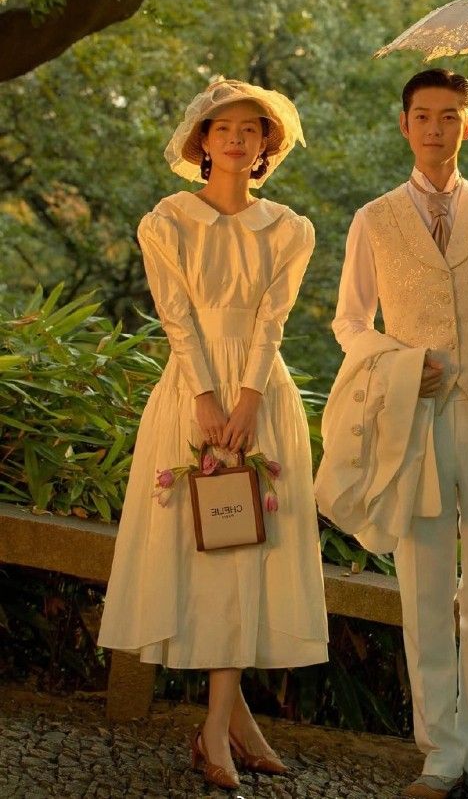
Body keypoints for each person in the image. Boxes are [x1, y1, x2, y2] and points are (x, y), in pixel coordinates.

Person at [329, 68, 468, 799]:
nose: (435, 127)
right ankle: (441, 754)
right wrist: (399, 363)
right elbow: (349, 323)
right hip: (414, 418)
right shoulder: (373, 218)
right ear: (404, 125)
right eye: (423, 115)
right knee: (423, 584)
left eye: (449, 115)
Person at [98, 78, 328, 793]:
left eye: (249, 129)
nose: (235, 138)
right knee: (208, 550)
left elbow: (272, 320)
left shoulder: (290, 228)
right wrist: (204, 398)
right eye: (221, 127)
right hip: (189, 397)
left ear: (266, 145)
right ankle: (231, 723)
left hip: (261, 398)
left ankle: (220, 724)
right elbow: (176, 316)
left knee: (248, 552)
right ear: (202, 140)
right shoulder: (165, 221)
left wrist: (251, 396)